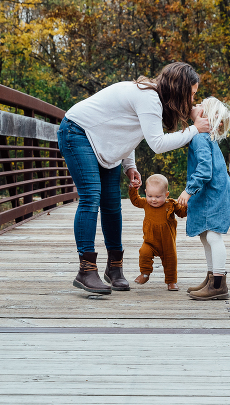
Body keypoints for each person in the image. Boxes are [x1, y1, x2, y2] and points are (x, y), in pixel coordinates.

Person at [57, 62, 210, 295]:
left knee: (112, 205)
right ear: (179, 89)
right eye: (191, 93)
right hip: (78, 131)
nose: (191, 99)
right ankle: (86, 270)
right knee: (91, 198)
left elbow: (126, 129)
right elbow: (157, 144)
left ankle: (114, 268)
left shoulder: (152, 98)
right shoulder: (148, 97)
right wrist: (195, 129)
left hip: (103, 142)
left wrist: (130, 165)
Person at [177, 97, 230, 300]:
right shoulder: (201, 137)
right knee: (205, 236)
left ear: (205, 115)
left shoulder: (201, 138)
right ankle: (211, 278)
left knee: (212, 236)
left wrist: (188, 191)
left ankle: (219, 283)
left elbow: (204, 170)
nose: (195, 105)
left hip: (216, 194)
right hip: (214, 193)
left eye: (200, 104)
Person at [128, 174, 187, 291]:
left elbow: (182, 213)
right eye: (149, 195)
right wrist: (133, 189)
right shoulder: (145, 203)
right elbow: (135, 201)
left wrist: (187, 205)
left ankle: (171, 281)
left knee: (171, 261)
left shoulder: (171, 204)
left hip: (167, 243)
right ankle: (145, 274)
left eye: (158, 196)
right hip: (150, 241)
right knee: (144, 253)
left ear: (166, 195)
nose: (153, 199)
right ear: (145, 192)